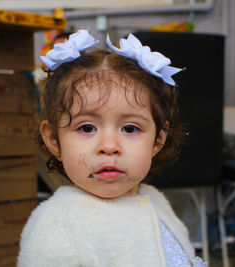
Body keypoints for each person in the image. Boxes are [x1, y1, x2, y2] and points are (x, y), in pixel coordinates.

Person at [17, 29, 206, 267]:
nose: (109, 146)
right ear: (54, 140)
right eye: (86, 128)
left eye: (129, 129)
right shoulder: (56, 224)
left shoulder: (156, 202)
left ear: (158, 140)